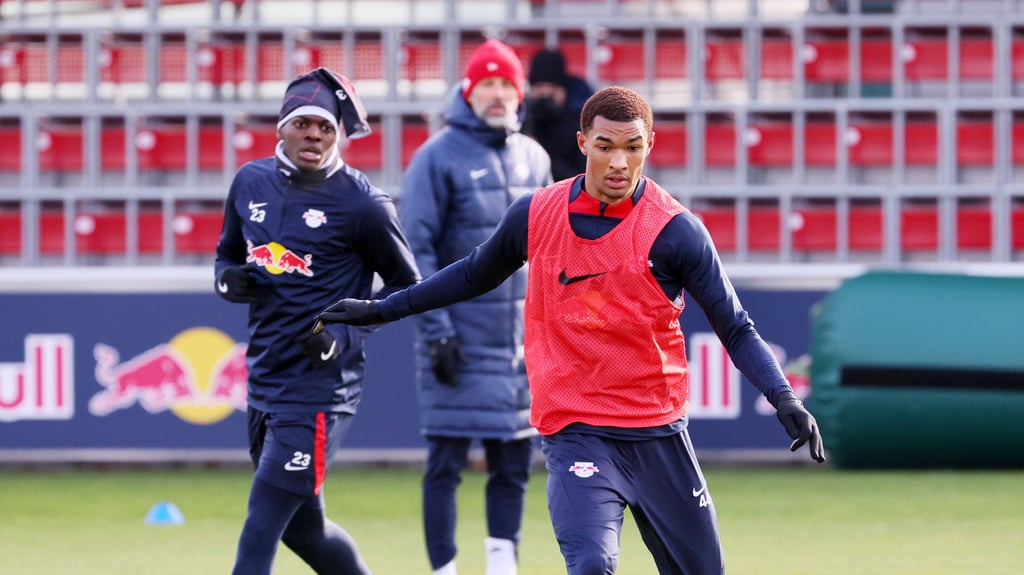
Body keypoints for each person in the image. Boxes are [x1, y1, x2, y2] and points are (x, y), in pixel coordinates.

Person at [314, 85, 826, 575]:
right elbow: (472, 274)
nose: (619, 163)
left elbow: (735, 327)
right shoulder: (536, 214)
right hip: (577, 431)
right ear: (583, 144)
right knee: (591, 564)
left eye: (632, 147)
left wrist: (783, 397)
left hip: (659, 433)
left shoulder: (676, 232)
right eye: (605, 147)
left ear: (650, 145)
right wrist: (382, 309)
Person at [214, 67, 420, 575]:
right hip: (264, 380)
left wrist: (345, 334)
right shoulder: (249, 182)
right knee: (304, 531)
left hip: (321, 392)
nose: (314, 135)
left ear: (339, 134)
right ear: (282, 126)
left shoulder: (364, 205)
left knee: (261, 523)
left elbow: (406, 288)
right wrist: (227, 280)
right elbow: (225, 255)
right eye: (304, 123)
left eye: (326, 127)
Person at [398, 39, 553, 575]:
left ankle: (501, 565)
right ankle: (444, 568)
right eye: (486, 83)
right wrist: (436, 331)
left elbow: (552, 248)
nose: (497, 94)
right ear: (468, 90)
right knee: (445, 462)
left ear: (519, 93)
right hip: (457, 339)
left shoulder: (535, 157)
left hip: (517, 345)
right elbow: (413, 249)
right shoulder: (435, 157)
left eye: (506, 84)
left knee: (513, 461)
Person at [522, 48, 595, 182]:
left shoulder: (583, 123)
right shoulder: (521, 119)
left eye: (551, 93)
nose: (545, 100)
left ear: (564, 90)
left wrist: (540, 153)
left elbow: (583, 180)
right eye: (539, 89)